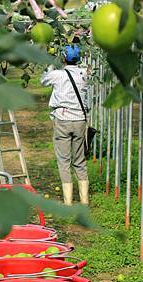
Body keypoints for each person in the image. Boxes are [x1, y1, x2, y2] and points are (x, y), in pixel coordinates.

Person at [40, 44, 90, 205]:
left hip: (62, 119)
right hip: (80, 119)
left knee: (63, 160)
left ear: (63, 58)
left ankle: (68, 202)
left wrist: (49, 61)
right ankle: (84, 200)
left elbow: (43, 81)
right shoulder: (84, 74)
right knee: (79, 160)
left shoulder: (58, 75)